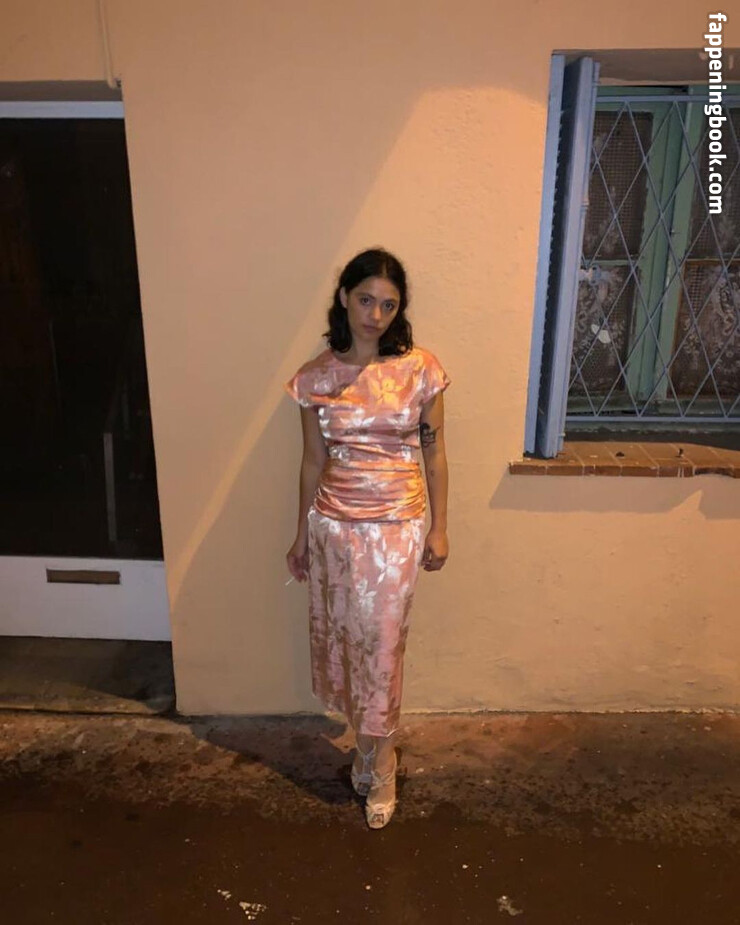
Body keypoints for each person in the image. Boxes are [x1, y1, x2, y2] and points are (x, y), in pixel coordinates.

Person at [284, 247, 450, 829]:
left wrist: (440, 527)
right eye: (365, 300)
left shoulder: (421, 371)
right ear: (344, 298)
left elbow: (435, 454)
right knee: (350, 646)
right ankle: (367, 744)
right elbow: (312, 461)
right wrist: (300, 536)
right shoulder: (314, 378)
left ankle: (382, 761)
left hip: (397, 528)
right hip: (334, 527)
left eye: (388, 305)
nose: (375, 315)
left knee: (381, 646)